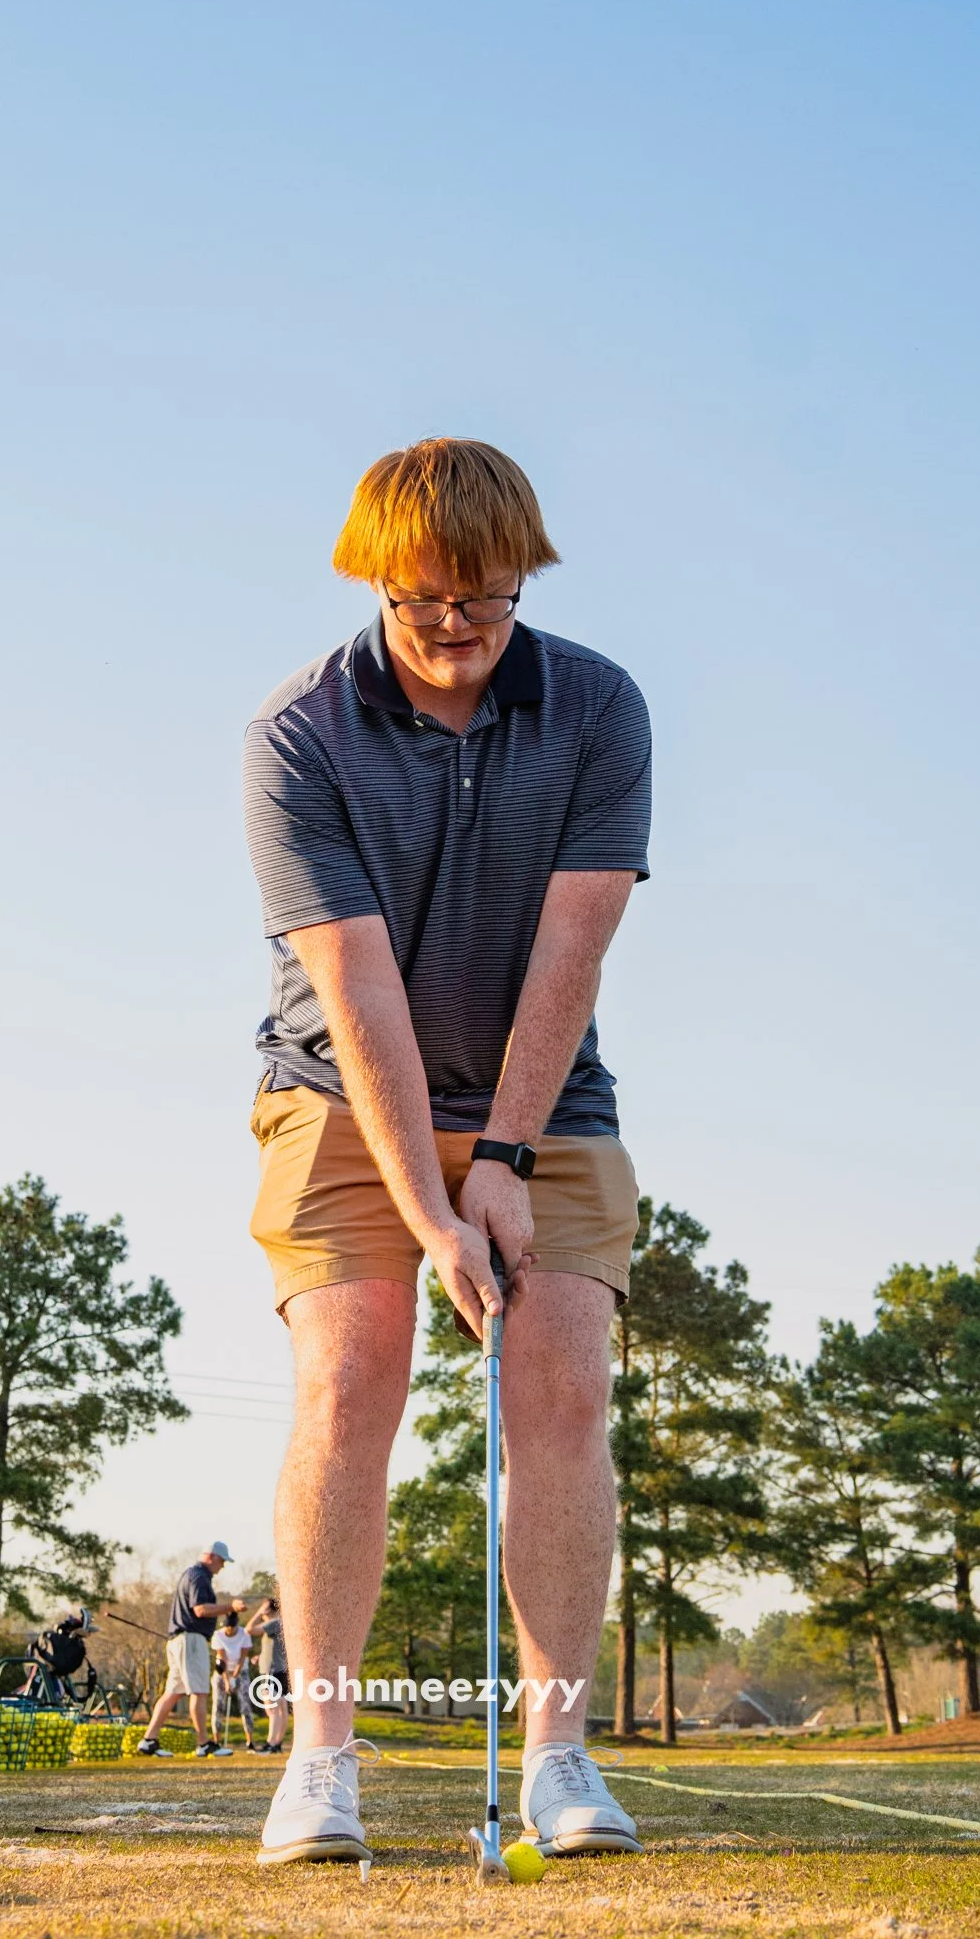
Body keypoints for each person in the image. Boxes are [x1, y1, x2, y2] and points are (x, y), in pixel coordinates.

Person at [243, 440, 651, 1866]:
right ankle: (321, 1759)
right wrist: (432, 1208)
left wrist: (509, 1159)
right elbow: (356, 992)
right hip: (342, 1095)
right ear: (375, 579)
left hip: (547, 1092)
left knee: (564, 1389)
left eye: (486, 594)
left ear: (524, 572)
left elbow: (574, 946)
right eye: (424, 599)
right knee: (351, 1374)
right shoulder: (299, 732)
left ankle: (558, 1755)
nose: (458, 623)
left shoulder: (599, 706)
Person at [135, 1544, 244, 1758]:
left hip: (180, 1640)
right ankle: (203, 1743)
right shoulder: (199, 1576)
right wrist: (230, 1607)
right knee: (199, 1691)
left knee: (173, 1692)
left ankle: (148, 1740)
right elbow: (200, 1609)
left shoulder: (193, 1574)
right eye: (222, 1561)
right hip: (191, 1640)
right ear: (211, 1557)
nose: (222, 1566)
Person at [245, 1595, 290, 1751]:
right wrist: (261, 1657)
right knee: (281, 1708)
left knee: (272, 1709)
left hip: (271, 1672)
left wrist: (259, 1612)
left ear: (269, 1609)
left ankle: (270, 1743)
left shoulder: (274, 1622)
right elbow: (275, 1648)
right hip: (280, 1670)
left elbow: (249, 1629)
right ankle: (277, 1743)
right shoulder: (281, 1623)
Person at [210, 1612, 260, 1751]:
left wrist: (234, 1678)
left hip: (241, 1672)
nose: (230, 1629)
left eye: (232, 1626)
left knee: (245, 1706)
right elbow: (222, 1659)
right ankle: (216, 1742)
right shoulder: (218, 1635)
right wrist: (227, 1681)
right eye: (228, 1626)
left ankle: (250, 1742)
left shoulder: (244, 1634)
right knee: (218, 1706)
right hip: (221, 1672)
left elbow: (242, 1658)